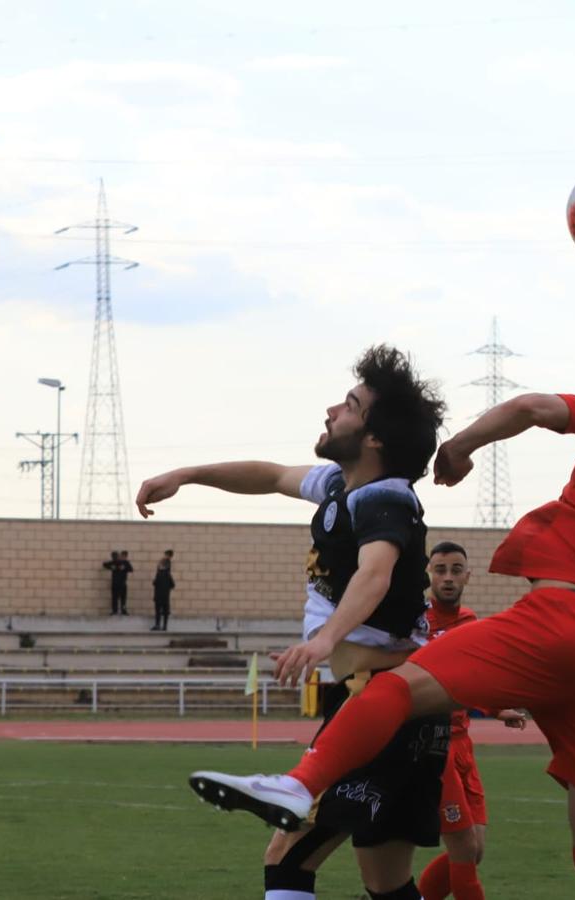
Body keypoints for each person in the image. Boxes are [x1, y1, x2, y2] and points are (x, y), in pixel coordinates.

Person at [190, 324, 575, 900]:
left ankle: (298, 785)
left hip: (560, 617)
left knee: (393, 691)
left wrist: (462, 445)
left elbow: (531, 406)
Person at [136, 345, 448, 900]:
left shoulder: (383, 500)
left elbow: (375, 572)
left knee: (286, 856)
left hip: (383, 706)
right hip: (386, 706)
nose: (333, 409)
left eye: (350, 405)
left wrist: (326, 637)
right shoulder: (338, 485)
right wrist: (187, 474)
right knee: (386, 880)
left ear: (374, 438)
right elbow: (272, 474)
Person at [417, 541, 525, 900]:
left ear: (468, 576)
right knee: (463, 851)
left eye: (456, 570)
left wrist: (496, 709)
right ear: (428, 574)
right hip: (434, 746)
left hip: (464, 745)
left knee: (475, 850)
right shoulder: (416, 624)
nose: (448, 578)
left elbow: (472, 680)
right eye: (440, 570)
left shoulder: (469, 622)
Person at [102, 550, 133, 616]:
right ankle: (114, 611)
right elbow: (104, 564)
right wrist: (111, 567)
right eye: (114, 557)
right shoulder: (113, 562)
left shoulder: (125, 562)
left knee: (123, 598)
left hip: (122, 584)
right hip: (115, 584)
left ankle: (123, 610)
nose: (120, 558)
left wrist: (124, 568)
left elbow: (131, 569)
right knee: (114, 598)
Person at [151, 550, 175, 631]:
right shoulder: (168, 576)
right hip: (165, 597)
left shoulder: (159, 574)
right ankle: (165, 626)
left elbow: (154, 583)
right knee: (165, 612)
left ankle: (157, 625)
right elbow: (172, 585)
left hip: (158, 596)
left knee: (158, 611)